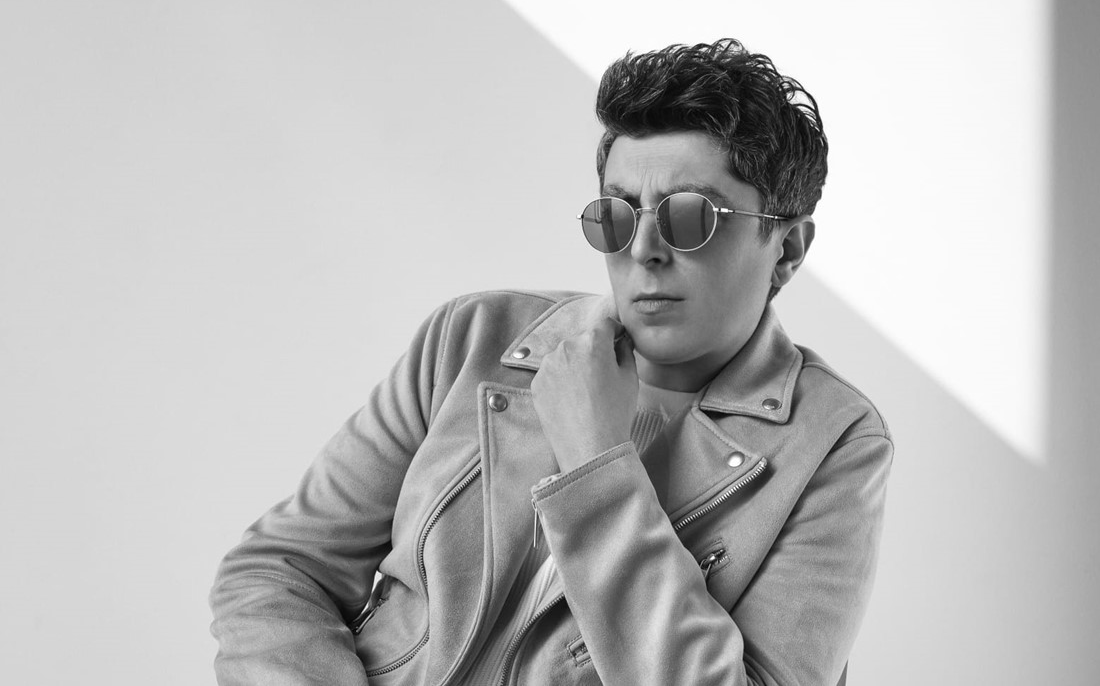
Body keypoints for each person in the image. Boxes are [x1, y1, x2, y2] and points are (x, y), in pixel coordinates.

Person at [210, 38, 893, 686]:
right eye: (617, 216)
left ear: (787, 248)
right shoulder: (472, 339)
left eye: (690, 218)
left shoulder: (833, 441)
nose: (643, 250)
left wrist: (597, 466)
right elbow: (279, 570)